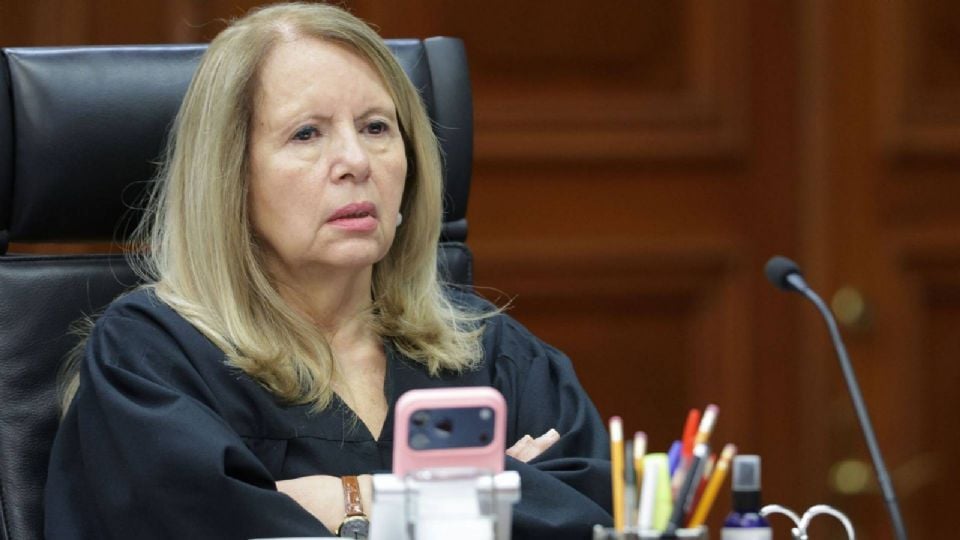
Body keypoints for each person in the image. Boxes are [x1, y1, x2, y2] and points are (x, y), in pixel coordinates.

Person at [44, 3, 612, 538]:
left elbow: (589, 513)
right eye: (306, 133)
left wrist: (352, 499)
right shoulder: (151, 358)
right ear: (230, 178)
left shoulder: (489, 351)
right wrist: (485, 498)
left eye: (376, 127)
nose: (356, 162)